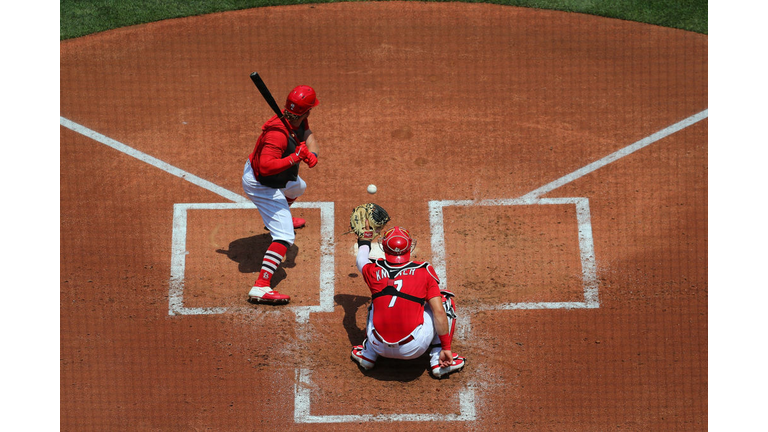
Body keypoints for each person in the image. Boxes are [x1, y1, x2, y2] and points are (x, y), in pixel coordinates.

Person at [350, 226, 467, 378]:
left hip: (378, 344)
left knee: (377, 301)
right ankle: (438, 359)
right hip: (413, 348)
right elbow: (438, 312)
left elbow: (361, 259)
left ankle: (368, 354)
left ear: (383, 246)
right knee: (444, 302)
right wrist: (447, 347)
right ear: (409, 247)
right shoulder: (424, 271)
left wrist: (365, 238)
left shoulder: (373, 270)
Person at [241, 85, 320, 304]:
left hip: (275, 178)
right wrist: (295, 157)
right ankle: (261, 287)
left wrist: (312, 154)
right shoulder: (277, 135)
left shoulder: (297, 120)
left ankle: (280, 215)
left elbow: (309, 136)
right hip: (260, 184)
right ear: (307, 110)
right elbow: (266, 167)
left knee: (298, 187)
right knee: (285, 237)